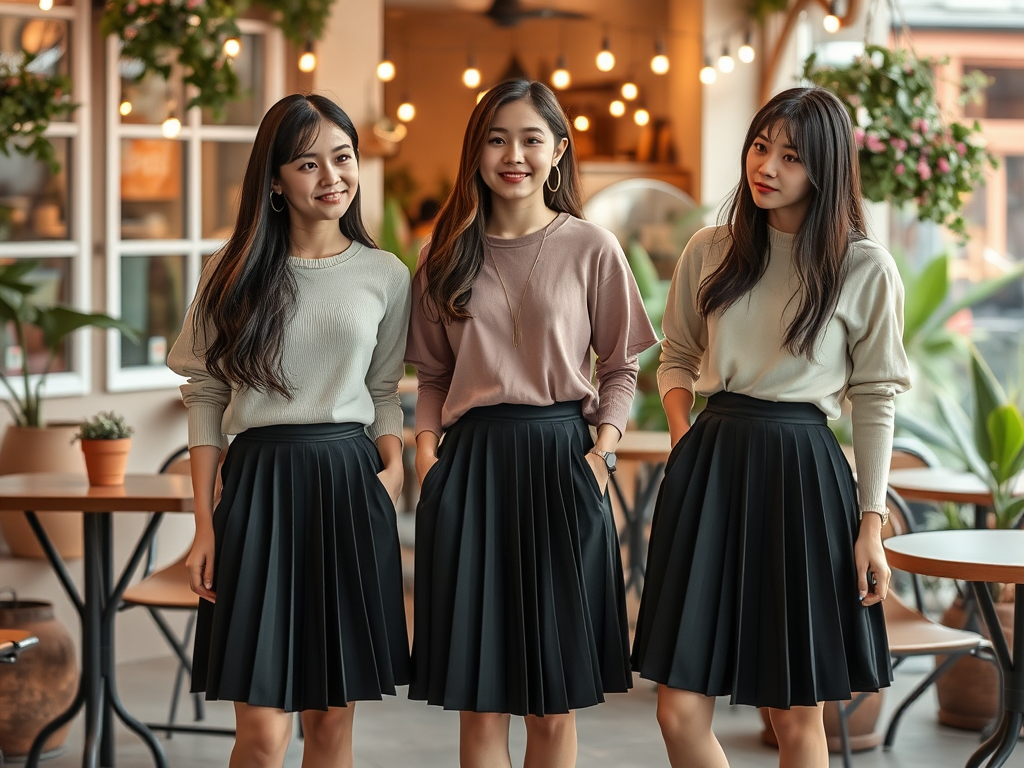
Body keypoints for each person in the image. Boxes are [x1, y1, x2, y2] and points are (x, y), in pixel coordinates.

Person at [630, 86, 911, 768]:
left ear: (826, 168)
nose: (769, 166)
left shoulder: (862, 265)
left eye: (792, 155)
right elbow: (677, 355)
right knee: (678, 709)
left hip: (803, 475)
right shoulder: (711, 250)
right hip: (711, 466)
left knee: (794, 713)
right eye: (762, 146)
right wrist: (682, 433)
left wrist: (871, 523)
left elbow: (875, 397)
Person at [405, 78, 658, 768]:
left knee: (553, 704)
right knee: (481, 704)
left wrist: (601, 451)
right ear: (475, 152)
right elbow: (429, 375)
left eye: (529, 139)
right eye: (495, 138)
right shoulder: (443, 253)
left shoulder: (592, 247)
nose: (512, 154)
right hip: (472, 471)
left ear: (558, 151)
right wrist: (428, 460)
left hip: (562, 466)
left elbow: (622, 366)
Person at [167, 93, 411, 768]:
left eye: (343, 157)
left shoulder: (385, 275)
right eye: (309, 162)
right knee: (264, 734)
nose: (332, 175)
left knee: (330, 729)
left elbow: (385, 392)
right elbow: (206, 395)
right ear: (275, 178)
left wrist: (392, 469)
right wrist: (205, 526)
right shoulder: (230, 272)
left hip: (347, 488)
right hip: (258, 491)